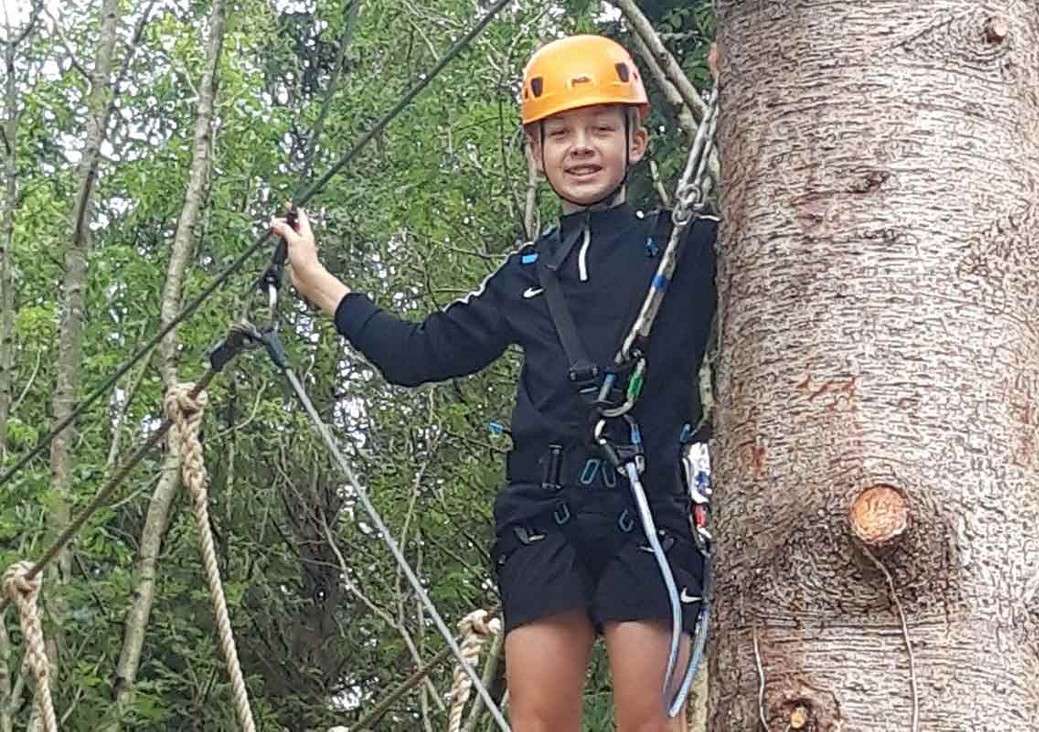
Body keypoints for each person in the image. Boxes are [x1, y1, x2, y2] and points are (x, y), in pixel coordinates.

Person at [271, 33, 717, 732]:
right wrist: (317, 282)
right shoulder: (526, 276)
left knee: (650, 723)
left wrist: (740, 78)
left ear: (637, 142)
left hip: (650, 516)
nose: (581, 147)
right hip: (545, 516)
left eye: (602, 128)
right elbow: (417, 353)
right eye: (559, 134)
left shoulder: (687, 247)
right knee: (537, 723)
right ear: (535, 154)